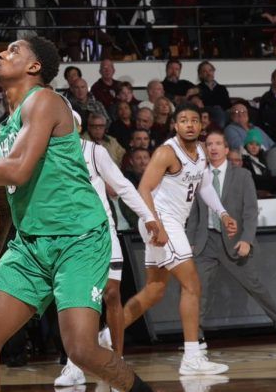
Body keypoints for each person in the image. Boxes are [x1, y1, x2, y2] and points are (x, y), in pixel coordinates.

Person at [0, 35, 157, 392]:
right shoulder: (1, 135)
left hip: (79, 241)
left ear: (34, 67)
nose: (0, 53)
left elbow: (18, 169)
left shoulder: (46, 101)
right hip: (30, 248)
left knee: (81, 348)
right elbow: (1, 216)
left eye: (13, 51)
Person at [121, 104, 234, 377]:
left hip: (171, 222)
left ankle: (106, 336)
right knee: (192, 283)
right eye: (183, 120)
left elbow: (205, 186)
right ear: (175, 125)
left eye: (194, 120)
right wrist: (155, 224)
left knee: (155, 291)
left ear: (201, 125)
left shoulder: (201, 153)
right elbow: (143, 189)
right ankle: (192, 356)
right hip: (160, 219)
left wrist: (222, 213)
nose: (190, 125)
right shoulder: (166, 152)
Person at [54, 120, 159, 388]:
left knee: (112, 293)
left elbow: (122, 186)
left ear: (76, 127)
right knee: (76, 300)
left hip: (102, 231)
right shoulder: (46, 153)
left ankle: (117, 360)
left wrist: (147, 216)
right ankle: (74, 363)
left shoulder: (93, 151)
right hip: (68, 236)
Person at [186, 132, 276, 344]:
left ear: (227, 149)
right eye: (209, 144)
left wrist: (247, 240)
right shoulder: (198, 176)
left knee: (253, 285)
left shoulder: (242, 175)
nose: (213, 148)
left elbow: (250, 212)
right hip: (205, 241)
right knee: (198, 289)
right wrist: (190, 241)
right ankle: (195, 336)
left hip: (235, 240)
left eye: (218, 144)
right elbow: (194, 214)